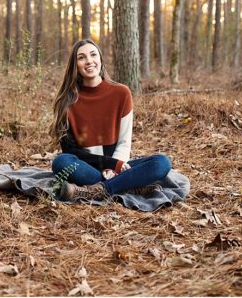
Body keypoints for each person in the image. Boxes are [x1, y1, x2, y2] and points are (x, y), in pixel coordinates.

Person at [49, 39, 171, 202]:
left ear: (100, 59)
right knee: (61, 162)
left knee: (162, 162)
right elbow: (71, 152)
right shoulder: (66, 101)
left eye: (93, 55)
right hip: (87, 168)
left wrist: (115, 167)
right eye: (82, 57)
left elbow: (124, 142)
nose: (89, 61)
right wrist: (110, 165)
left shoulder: (121, 93)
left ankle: (100, 190)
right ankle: (128, 186)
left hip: (117, 166)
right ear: (75, 65)